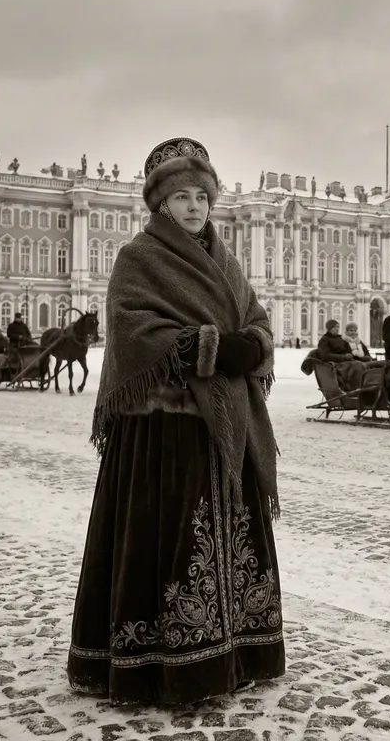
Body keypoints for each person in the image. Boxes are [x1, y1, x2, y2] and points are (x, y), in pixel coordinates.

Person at [67, 137, 284, 708]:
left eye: (201, 196)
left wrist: (253, 345)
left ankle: (238, 652)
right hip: (165, 431)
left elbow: (258, 318)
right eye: (181, 197)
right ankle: (165, 665)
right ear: (160, 204)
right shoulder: (139, 257)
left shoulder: (226, 259)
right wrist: (210, 348)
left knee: (231, 539)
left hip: (226, 428)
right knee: (173, 544)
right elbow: (135, 333)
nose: (194, 207)